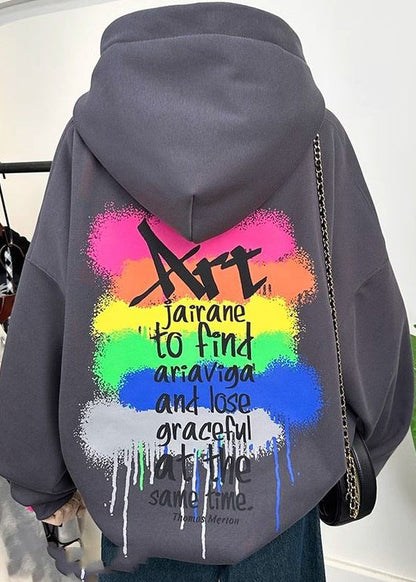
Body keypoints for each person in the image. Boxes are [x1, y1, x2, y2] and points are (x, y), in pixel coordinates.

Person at [0, 3, 413, 581]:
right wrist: (369, 437)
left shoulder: (87, 142)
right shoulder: (317, 137)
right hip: (281, 494)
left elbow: (47, 305)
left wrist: (42, 480)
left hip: (131, 498)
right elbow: (367, 301)